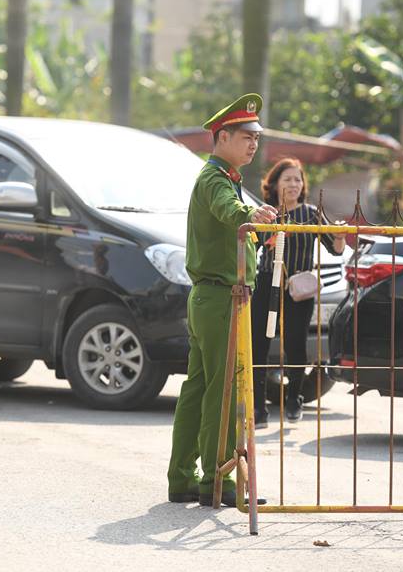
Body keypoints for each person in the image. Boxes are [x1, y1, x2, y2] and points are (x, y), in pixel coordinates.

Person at [166, 93, 278, 507]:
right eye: (246, 136)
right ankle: (220, 479)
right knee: (223, 390)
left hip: (210, 298)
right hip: (219, 298)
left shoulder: (226, 177)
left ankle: (182, 477)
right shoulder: (215, 179)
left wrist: (256, 223)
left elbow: (234, 218)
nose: (253, 144)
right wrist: (247, 218)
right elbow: (227, 210)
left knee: (198, 387)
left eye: (256, 137)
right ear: (223, 136)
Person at [251, 158, 345, 428]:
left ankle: (294, 397)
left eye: (297, 179)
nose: (293, 184)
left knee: (295, 343)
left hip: (299, 289)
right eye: (287, 179)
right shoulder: (267, 214)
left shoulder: (311, 213)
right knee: (259, 343)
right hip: (268, 284)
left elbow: (335, 249)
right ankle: (258, 407)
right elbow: (250, 247)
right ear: (274, 184)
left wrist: (338, 234)